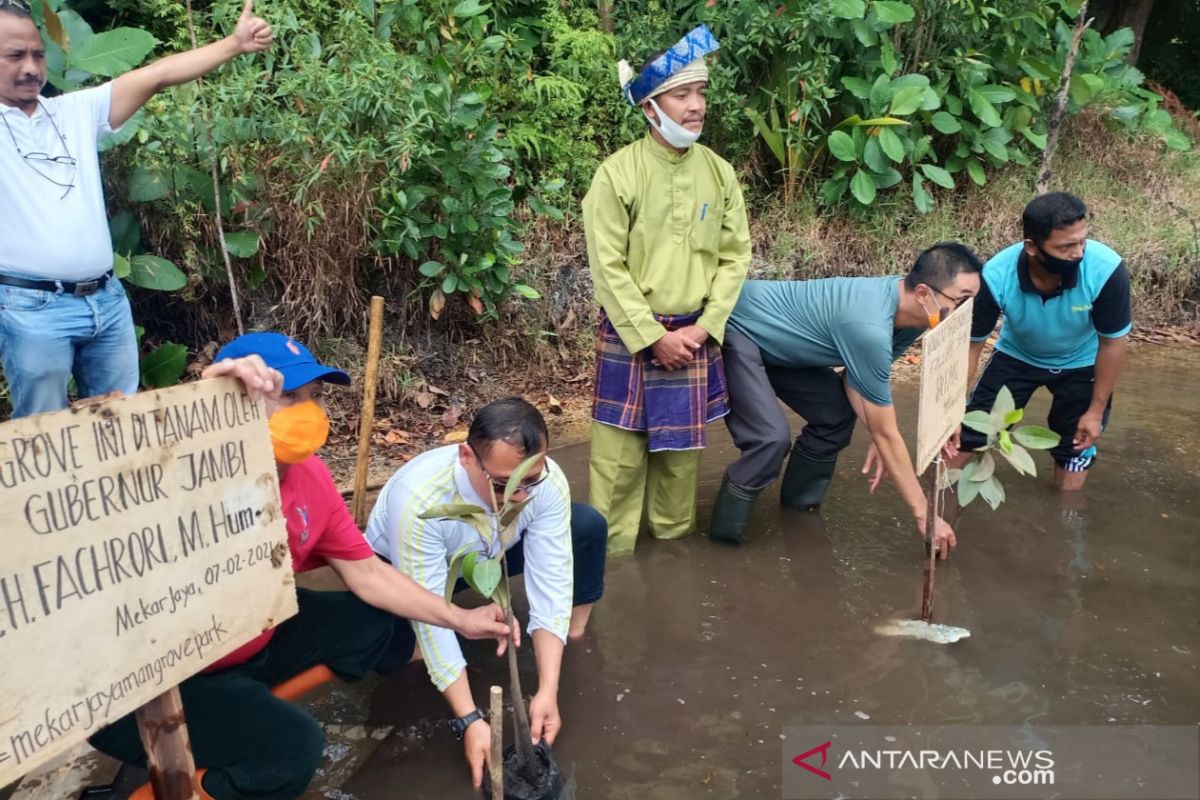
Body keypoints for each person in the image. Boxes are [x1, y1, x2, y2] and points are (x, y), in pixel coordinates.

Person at [89, 332, 513, 800]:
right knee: (293, 752)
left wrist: (460, 619)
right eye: (288, 396)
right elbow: (122, 470)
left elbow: (367, 574)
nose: (307, 411)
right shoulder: (182, 471)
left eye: (313, 396)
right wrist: (199, 407)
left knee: (379, 623)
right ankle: (188, 788)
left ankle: (250, 711)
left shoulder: (309, 472)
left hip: (257, 640)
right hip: (158, 682)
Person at [0, 0, 271, 418]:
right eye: (15, 56)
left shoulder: (73, 112)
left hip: (106, 299)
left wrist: (233, 45)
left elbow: (157, 75)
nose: (32, 67)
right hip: (32, 309)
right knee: (41, 436)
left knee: (121, 425)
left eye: (37, 54)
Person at [364, 397, 607, 791]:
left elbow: (551, 580)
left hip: (490, 549)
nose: (519, 494)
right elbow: (428, 605)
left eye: (530, 480)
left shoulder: (545, 483)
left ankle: (574, 637)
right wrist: (469, 719)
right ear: (466, 457)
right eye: (503, 484)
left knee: (586, 526)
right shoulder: (423, 500)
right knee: (403, 652)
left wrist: (548, 688)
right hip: (404, 565)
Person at [583, 24, 752, 555]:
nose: (696, 106)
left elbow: (735, 257)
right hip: (636, 336)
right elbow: (607, 267)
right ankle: (606, 571)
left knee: (682, 465)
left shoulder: (721, 174)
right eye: (683, 94)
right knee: (617, 464)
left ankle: (674, 573)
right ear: (650, 106)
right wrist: (652, 335)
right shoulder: (616, 176)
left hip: (697, 335)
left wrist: (706, 327)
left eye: (701, 93)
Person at [710, 242, 983, 553]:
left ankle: (797, 510)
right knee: (770, 438)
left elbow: (859, 381)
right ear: (923, 293)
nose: (964, 313)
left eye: (971, 302)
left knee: (836, 413)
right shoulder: (870, 327)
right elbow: (885, 429)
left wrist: (881, 435)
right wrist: (924, 514)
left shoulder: (913, 314)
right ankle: (722, 542)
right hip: (737, 329)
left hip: (781, 346)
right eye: (960, 301)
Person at [956, 192, 1130, 490]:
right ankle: (936, 512)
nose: (1078, 253)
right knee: (969, 433)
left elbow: (1112, 342)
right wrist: (953, 409)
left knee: (1075, 446)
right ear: (1032, 247)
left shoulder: (1106, 270)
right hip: (1017, 356)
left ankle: (1064, 519)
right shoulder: (996, 275)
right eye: (1065, 246)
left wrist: (1096, 411)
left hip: (1082, 363)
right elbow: (972, 344)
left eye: (1082, 241)